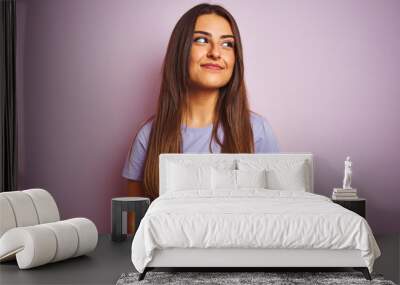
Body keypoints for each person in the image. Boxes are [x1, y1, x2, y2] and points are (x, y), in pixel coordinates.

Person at [122, 3, 279, 205]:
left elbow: (275, 214)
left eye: (227, 44)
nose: (216, 53)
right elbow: (133, 228)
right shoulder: (148, 136)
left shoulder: (258, 131)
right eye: (202, 40)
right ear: (181, 51)